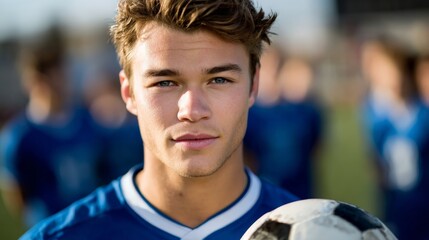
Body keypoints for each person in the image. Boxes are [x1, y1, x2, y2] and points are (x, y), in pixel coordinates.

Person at [20, 0, 299, 239]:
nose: (191, 109)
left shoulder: (320, 233)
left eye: (219, 79)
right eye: (165, 83)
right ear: (128, 92)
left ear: (253, 86)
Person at [0, 28, 106, 227]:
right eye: (54, 76)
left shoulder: (87, 119)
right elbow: (18, 197)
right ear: (35, 81)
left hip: (93, 225)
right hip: (52, 228)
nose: (62, 83)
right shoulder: (19, 136)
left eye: (63, 74)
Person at [360, 36, 429, 240]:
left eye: (388, 68)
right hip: (394, 206)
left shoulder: (422, 111)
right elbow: (376, 164)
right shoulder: (374, 113)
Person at [244, 52, 323, 199]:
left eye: (276, 67)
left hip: (300, 192)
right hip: (263, 195)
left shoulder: (302, 111)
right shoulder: (247, 114)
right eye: (266, 68)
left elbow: (315, 147)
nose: (272, 73)